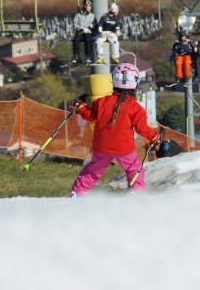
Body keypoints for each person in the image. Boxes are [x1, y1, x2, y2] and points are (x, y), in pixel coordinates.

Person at [69, 63, 161, 196]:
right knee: (134, 169)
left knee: (93, 170)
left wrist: (81, 107)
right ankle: (136, 193)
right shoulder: (135, 108)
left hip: (101, 145)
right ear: (135, 84)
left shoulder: (100, 102)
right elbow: (141, 128)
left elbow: (90, 116)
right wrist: (155, 136)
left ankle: (78, 192)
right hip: (124, 147)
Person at [72, 0, 97, 64]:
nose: (90, 8)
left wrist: (92, 25)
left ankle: (87, 56)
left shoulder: (92, 16)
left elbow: (95, 23)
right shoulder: (78, 15)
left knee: (88, 40)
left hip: (88, 32)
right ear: (85, 6)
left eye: (90, 6)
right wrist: (81, 27)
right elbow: (75, 25)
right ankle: (76, 56)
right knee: (76, 40)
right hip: (81, 32)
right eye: (88, 6)